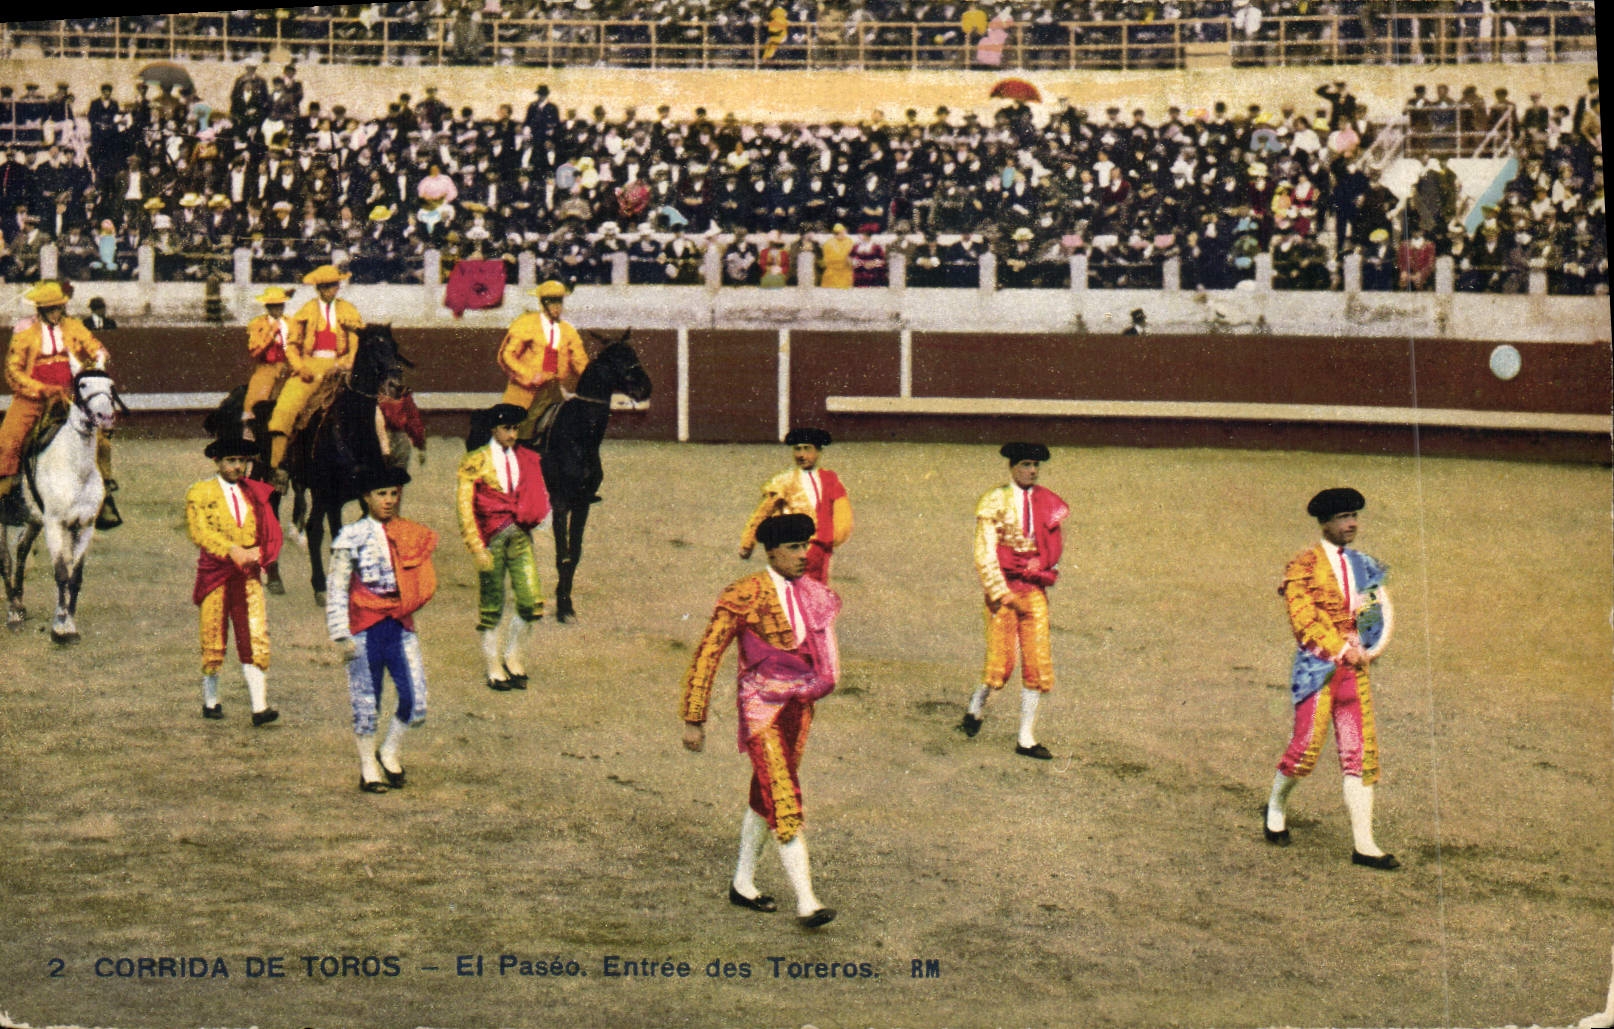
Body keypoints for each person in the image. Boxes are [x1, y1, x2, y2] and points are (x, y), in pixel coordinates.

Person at [681, 513, 840, 929]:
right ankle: (807, 901)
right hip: (760, 709)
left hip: (799, 708)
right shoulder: (744, 594)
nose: (804, 555)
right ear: (771, 552)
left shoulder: (813, 593)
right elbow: (708, 653)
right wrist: (694, 717)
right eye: (794, 548)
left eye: (806, 546)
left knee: (766, 791)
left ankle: (743, 883)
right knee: (783, 796)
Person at [1264, 487, 1398, 870]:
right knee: (1305, 749)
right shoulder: (1302, 565)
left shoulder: (1363, 565)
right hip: (1319, 670)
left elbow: (1376, 612)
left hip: (1354, 673)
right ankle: (1276, 806)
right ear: (1324, 523)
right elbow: (1303, 620)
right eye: (1342, 517)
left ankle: (1365, 844)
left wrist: (1370, 647)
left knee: (1360, 755)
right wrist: (1342, 649)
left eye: (1354, 515)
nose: (1351, 523)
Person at [326, 465, 439, 794]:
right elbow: (337, 588)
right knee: (366, 698)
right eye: (381, 494)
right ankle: (368, 767)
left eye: (393, 493)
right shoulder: (351, 536)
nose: (389, 500)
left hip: (399, 623)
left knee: (415, 698)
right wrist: (340, 633)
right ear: (366, 497)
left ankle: (389, 751)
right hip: (363, 625)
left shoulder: (409, 531)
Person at [958, 442, 1069, 760]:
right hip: (1004, 590)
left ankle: (1026, 738)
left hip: (1033, 589)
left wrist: (1044, 566)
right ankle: (977, 704)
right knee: (1001, 664)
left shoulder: (1047, 501)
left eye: (1035, 465)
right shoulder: (994, 501)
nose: (1032, 471)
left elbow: (1055, 546)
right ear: (1011, 467)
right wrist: (1002, 593)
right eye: (1025, 464)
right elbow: (985, 553)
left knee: (1037, 660)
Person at [186, 436, 283, 726]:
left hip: (248, 574)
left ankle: (259, 707)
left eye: (242, 461)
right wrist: (232, 550)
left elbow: (270, 532)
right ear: (218, 462)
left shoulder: (255, 493)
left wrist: (259, 552)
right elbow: (199, 532)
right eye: (231, 460)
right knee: (213, 635)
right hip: (216, 572)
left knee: (254, 635)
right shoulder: (200, 492)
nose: (237, 466)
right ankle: (211, 700)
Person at [457, 404, 551, 691]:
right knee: (491, 605)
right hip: (491, 540)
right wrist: (476, 547)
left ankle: (512, 655)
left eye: (515, 428)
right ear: (493, 430)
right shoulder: (475, 461)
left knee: (530, 600)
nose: (513, 434)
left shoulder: (527, 459)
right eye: (507, 429)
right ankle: (493, 666)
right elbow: (464, 507)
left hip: (521, 538)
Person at [0, 281, 111, 506]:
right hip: (32, 400)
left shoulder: (73, 326)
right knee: (9, 440)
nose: (55, 313)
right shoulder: (25, 333)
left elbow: (94, 345)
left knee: (102, 441)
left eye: (58, 308)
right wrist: (41, 389)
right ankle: (7, 490)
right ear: (40, 310)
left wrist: (100, 356)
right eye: (50, 309)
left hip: (67, 398)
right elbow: (13, 371)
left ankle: (106, 491)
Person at [266, 264, 363, 479]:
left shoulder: (348, 310)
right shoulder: (307, 310)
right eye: (327, 286)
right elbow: (291, 346)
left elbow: (356, 342)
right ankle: (277, 466)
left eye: (335, 285)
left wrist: (347, 363)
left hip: (341, 367)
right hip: (311, 366)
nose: (332, 289)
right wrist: (300, 368)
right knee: (285, 408)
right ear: (318, 288)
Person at [738, 427, 852, 585]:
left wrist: (834, 537)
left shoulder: (829, 480)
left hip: (820, 550)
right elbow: (763, 512)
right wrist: (748, 542)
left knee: (817, 594)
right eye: (797, 449)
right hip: (792, 549)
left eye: (807, 449)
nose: (801, 454)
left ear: (818, 452)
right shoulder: (784, 481)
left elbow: (843, 513)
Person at [496, 279, 589, 442]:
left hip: (553, 387)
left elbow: (580, 359)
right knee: (522, 429)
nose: (557, 306)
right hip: (526, 389)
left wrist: (592, 378)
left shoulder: (568, 330)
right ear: (542, 303)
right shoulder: (526, 323)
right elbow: (507, 355)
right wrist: (530, 375)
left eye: (559, 301)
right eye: (552, 301)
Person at [241, 286, 293, 437]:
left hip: (289, 367)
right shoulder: (257, 324)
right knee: (255, 398)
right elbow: (254, 351)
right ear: (267, 306)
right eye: (273, 305)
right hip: (267, 367)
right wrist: (271, 335)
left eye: (280, 305)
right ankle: (249, 432)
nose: (278, 309)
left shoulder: (292, 323)